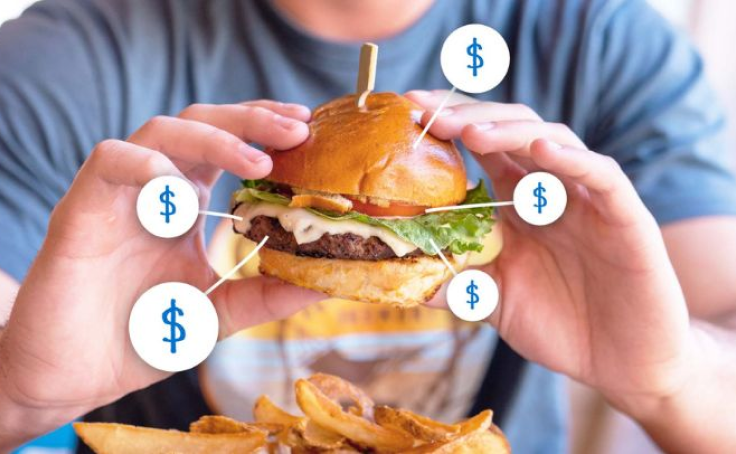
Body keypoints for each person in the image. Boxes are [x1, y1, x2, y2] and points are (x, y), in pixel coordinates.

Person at [0, 0, 735, 452]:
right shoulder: (64, 61)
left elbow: (720, 326)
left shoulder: (604, 43)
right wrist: (19, 396)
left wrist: (671, 379)